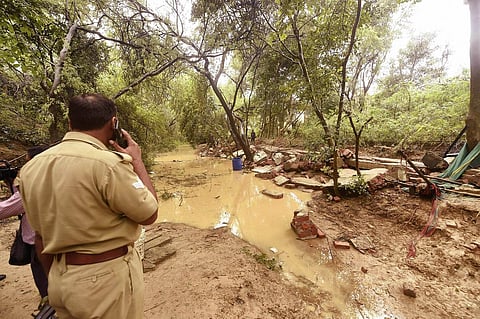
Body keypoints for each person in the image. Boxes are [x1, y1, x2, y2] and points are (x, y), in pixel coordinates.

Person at [19, 93, 159, 319]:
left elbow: (40, 238)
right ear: (114, 123)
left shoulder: (31, 169)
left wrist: (57, 276)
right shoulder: (108, 165)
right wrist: (137, 161)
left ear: (70, 123)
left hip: (59, 279)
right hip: (104, 282)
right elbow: (149, 213)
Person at [0, 145, 50, 310]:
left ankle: (49, 305)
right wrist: (11, 180)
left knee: (44, 279)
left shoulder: (30, 188)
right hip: (54, 238)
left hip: (39, 242)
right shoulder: (51, 179)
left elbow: (5, 209)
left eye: (27, 162)